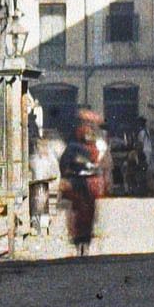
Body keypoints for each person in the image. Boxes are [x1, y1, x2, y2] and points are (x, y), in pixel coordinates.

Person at [59, 109, 109, 254]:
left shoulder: (96, 145)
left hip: (89, 182)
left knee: (88, 213)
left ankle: (85, 243)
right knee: (78, 213)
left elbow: (101, 163)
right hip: (77, 181)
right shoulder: (73, 146)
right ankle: (79, 243)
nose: (89, 128)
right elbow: (65, 163)